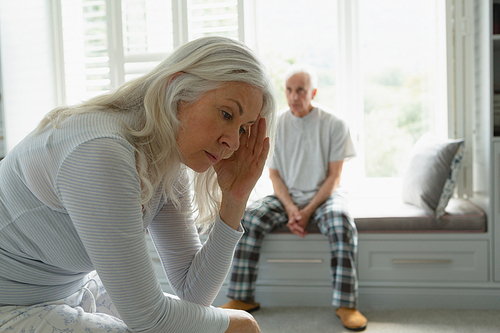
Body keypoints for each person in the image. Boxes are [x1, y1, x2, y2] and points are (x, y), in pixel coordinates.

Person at [0, 36, 277, 333]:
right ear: (177, 89)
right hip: (11, 306)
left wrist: (235, 198)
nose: (233, 142)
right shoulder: (101, 149)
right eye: (226, 114)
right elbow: (148, 319)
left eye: (243, 129)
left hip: (67, 292)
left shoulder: (165, 160)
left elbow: (193, 293)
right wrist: (239, 324)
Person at [221, 63, 368, 331]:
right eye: (288, 90)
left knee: (340, 223)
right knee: (250, 218)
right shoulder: (275, 124)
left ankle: (346, 304)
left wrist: (308, 210)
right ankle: (242, 297)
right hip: (285, 195)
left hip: (324, 196)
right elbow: (274, 177)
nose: (293, 97)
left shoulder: (334, 125)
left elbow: (334, 177)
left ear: (313, 92)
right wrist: (291, 209)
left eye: (300, 90)